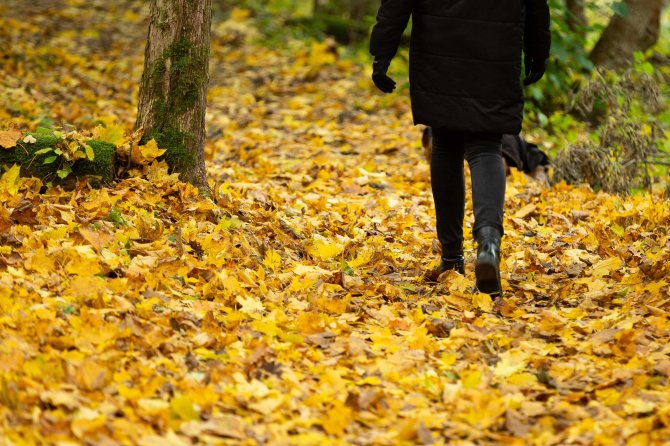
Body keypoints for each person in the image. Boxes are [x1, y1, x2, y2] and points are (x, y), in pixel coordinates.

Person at [370, 0, 551, 297]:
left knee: (446, 144)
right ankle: (489, 244)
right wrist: (537, 50)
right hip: (496, 53)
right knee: (486, 147)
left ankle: (452, 258)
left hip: (439, 48)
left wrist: (382, 52)